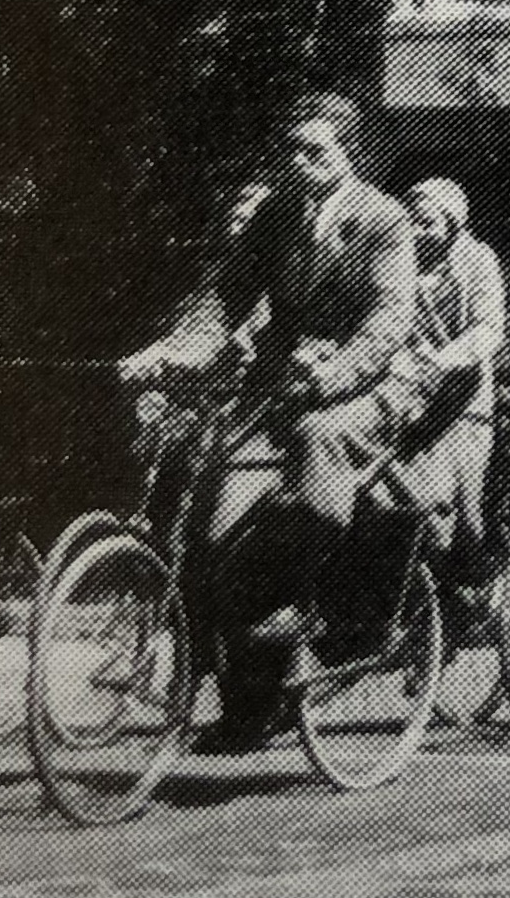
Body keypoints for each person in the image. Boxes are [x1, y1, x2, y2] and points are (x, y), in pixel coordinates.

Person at [135, 93, 423, 747]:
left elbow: (387, 323)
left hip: (366, 386)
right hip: (282, 388)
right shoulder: (275, 215)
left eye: (314, 151)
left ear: (350, 156)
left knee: (320, 445)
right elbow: (225, 299)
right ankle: (250, 706)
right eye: (291, 150)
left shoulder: (384, 220)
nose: (298, 162)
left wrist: (333, 374)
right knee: (215, 529)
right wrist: (170, 351)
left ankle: (303, 598)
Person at [388, 175, 509, 620]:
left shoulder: (479, 261)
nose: (418, 232)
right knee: (408, 501)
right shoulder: (400, 260)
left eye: (427, 222)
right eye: (412, 221)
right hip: (410, 398)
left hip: (463, 403)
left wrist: (446, 358)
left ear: (453, 223)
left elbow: (487, 327)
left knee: (461, 509)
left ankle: (475, 579)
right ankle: (419, 602)